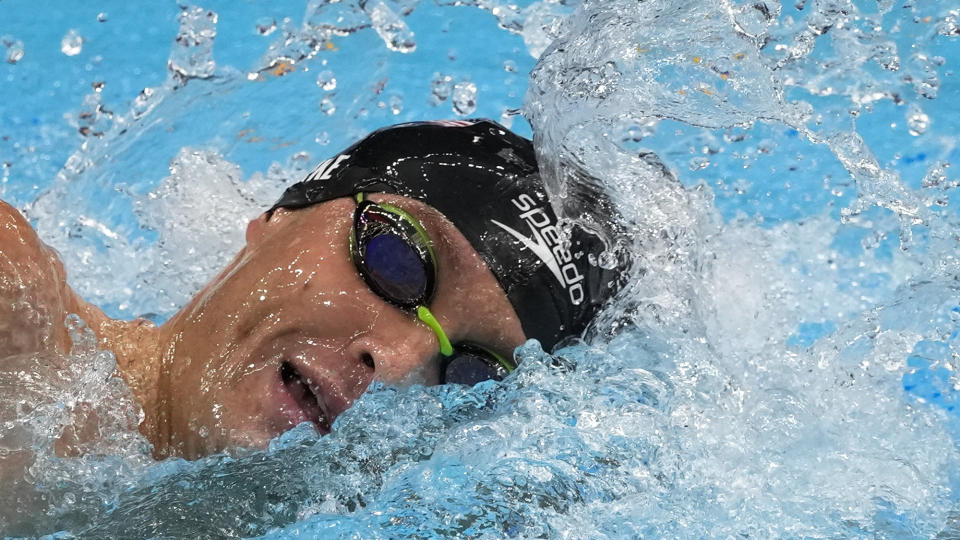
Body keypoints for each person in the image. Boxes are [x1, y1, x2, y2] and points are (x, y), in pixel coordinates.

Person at [0, 119, 629, 460]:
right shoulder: (18, 324)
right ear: (280, 215)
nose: (402, 361)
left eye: (470, 372)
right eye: (398, 263)